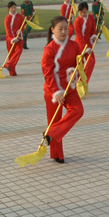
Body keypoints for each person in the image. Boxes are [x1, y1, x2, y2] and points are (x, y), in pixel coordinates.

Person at [41, 16, 84, 164]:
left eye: (66, 28)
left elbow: (79, 63)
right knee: (55, 120)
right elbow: (48, 73)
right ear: (53, 30)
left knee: (78, 110)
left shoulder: (74, 45)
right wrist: (56, 92)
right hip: (53, 91)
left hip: (69, 88)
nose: (64, 31)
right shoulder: (49, 50)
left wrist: (74, 72)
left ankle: (50, 134)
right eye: (60, 29)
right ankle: (57, 154)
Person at [74, 2, 98, 81]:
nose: (82, 14)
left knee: (91, 61)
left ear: (87, 10)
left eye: (84, 12)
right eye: (81, 12)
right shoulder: (77, 21)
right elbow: (79, 36)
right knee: (80, 64)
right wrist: (86, 48)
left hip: (88, 42)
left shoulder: (91, 18)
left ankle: (84, 81)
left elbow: (93, 30)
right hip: (79, 44)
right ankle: (78, 80)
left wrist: (94, 36)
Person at [4, 1, 25, 76]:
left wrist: (20, 32)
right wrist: (12, 39)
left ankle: (8, 64)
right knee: (12, 55)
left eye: (15, 7)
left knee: (19, 50)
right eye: (12, 8)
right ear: (9, 9)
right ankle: (12, 72)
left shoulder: (19, 16)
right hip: (10, 40)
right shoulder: (7, 18)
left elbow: (22, 26)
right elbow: (8, 30)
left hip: (19, 38)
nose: (14, 9)